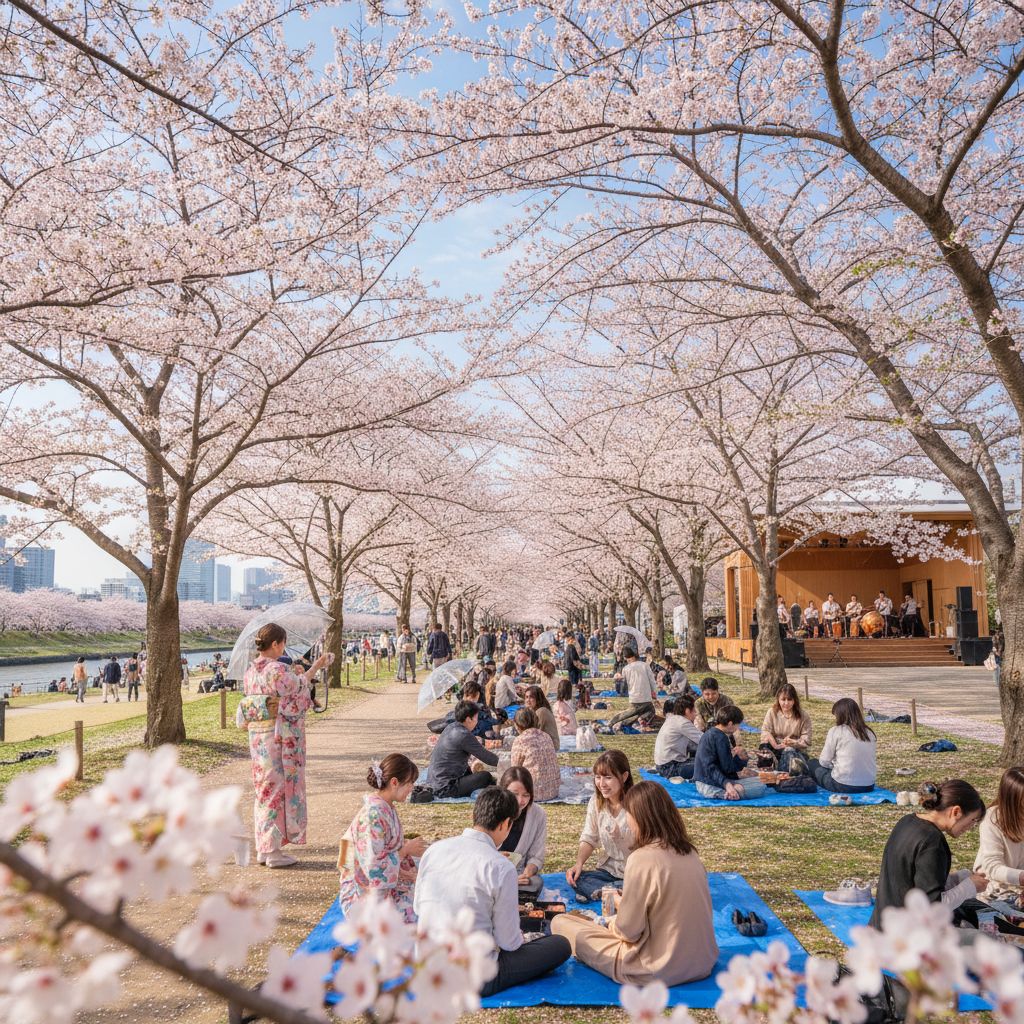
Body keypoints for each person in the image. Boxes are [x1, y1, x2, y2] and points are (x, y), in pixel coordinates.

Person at [553, 781, 717, 985]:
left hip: (654, 968)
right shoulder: (690, 853)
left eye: (628, 814)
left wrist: (611, 920)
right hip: (702, 961)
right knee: (577, 920)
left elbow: (628, 932)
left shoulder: (642, 858)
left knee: (560, 922)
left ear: (640, 817)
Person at [414, 787, 571, 995]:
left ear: (474, 815)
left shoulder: (435, 850)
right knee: (560, 945)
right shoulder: (500, 866)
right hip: (476, 976)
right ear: (506, 824)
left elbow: (418, 908)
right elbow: (509, 942)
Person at [241, 622, 332, 868]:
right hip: (279, 740)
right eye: (283, 643)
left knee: (264, 791)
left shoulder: (250, 673)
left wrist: (298, 675)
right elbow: (300, 691)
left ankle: (264, 848)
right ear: (275, 644)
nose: (284, 647)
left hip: (258, 740)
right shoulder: (277, 671)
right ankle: (272, 852)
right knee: (278, 791)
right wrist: (316, 666)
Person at [870, 779, 986, 929]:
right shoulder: (932, 841)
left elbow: (912, 882)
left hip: (881, 923)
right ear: (956, 812)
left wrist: (957, 879)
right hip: (904, 935)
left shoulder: (907, 821)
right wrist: (970, 887)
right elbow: (932, 907)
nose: (970, 828)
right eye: (972, 820)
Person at [339, 754, 427, 923]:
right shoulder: (373, 815)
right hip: (366, 896)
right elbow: (373, 867)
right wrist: (406, 850)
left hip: (385, 881)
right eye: (409, 783)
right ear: (394, 782)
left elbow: (385, 851)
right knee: (423, 914)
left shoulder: (385, 807)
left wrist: (403, 870)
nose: (412, 788)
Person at [566, 750, 635, 901]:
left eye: (608, 777)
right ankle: (615, 892)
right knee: (577, 878)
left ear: (624, 777)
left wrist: (621, 839)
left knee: (638, 884)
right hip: (608, 871)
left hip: (634, 871)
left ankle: (611, 892)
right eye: (598, 777)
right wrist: (579, 864)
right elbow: (589, 837)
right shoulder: (596, 802)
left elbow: (646, 848)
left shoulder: (636, 803)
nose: (601, 784)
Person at [426, 699, 500, 798]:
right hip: (445, 788)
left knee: (470, 772)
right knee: (485, 776)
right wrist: (508, 763)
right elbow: (488, 758)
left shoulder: (451, 727)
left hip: (434, 782)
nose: (477, 721)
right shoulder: (463, 734)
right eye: (476, 718)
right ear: (469, 719)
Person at [974, 767, 1024, 906]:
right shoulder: (992, 819)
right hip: (995, 891)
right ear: (1012, 800)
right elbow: (992, 868)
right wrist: (1021, 877)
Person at [693, 706, 765, 801]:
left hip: (703, 782)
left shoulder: (710, 733)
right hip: (709, 785)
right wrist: (728, 784)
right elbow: (726, 769)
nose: (738, 728)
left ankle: (730, 791)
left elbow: (723, 767)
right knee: (760, 786)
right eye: (738, 725)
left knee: (758, 781)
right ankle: (727, 794)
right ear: (730, 724)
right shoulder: (721, 737)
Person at [808, 697, 877, 793]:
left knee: (812, 764)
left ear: (840, 715)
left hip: (843, 785)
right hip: (869, 785)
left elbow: (824, 761)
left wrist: (834, 766)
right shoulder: (869, 733)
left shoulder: (836, 731)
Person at [498, 766, 549, 895]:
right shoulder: (493, 809)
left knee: (535, 883)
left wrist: (526, 874)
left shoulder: (538, 814)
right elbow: (481, 853)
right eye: (514, 794)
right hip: (492, 874)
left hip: (518, 874)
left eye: (525, 795)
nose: (520, 801)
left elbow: (536, 856)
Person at [510, 708, 560, 802]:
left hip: (532, 793)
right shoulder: (546, 736)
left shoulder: (520, 740)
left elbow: (515, 770)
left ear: (517, 725)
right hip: (553, 790)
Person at [760, 683, 812, 771]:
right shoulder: (772, 712)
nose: (786, 703)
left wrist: (794, 742)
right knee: (764, 747)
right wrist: (776, 745)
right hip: (775, 746)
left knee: (789, 750)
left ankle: (782, 775)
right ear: (778, 700)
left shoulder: (803, 715)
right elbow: (765, 731)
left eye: (789, 699)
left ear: (794, 700)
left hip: (795, 749)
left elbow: (807, 740)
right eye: (783, 699)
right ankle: (767, 773)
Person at [610, 648, 659, 732]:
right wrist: (654, 692)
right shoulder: (645, 665)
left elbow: (624, 683)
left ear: (626, 658)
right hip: (645, 696)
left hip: (634, 696)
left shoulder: (626, 668)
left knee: (638, 712)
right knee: (635, 713)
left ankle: (622, 722)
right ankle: (616, 722)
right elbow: (652, 681)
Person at [654, 695, 702, 780]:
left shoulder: (674, 719)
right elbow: (704, 740)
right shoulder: (683, 723)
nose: (696, 714)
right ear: (687, 711)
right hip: (670, 768)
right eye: (694, 711)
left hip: (663, 765)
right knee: (709, 765)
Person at [523, 684, 560, 751]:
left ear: (538, 699)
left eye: (531, 697)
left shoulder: (541, 711)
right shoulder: (536, 711)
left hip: (550, 747)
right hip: (544, 744)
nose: (528, 700)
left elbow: (535, 733)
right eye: (526, 697)